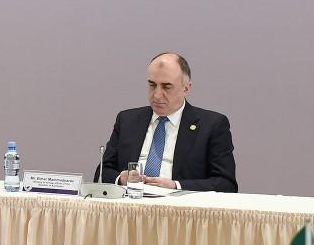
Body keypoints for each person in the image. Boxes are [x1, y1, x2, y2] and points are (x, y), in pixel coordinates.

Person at [98, 52, 237, 192]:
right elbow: (102, 172)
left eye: (167, 87)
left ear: (186, 88)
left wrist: (176, 186)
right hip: (131, 201)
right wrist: (121, 179)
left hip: (179, 204)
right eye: (152, 85)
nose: (157, 95)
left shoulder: (212, 125)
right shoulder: (127, 120)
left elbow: (226, 184)